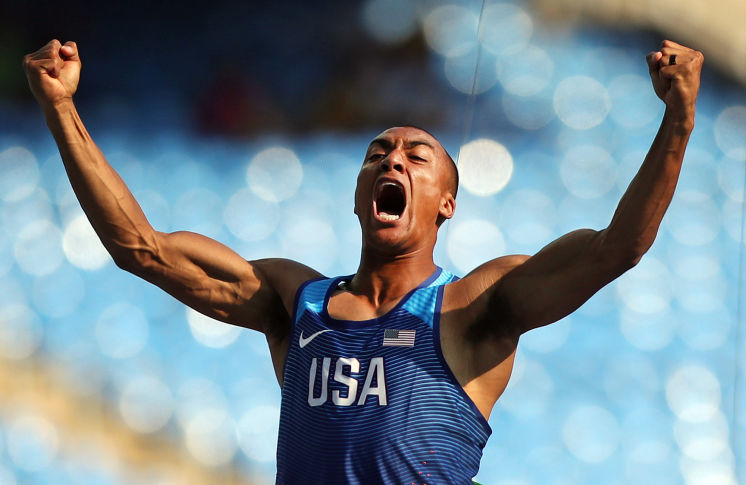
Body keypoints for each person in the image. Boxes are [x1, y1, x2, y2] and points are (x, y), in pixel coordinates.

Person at [23, 38, 703, 484]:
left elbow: (619, 246)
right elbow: (140, 247)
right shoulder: (294, 300)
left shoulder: (475, 307)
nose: (392, 159)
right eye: (378, 153)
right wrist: (60, 108)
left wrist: (677, 120)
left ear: (445, 204)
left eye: (416, 157)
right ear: (357, 195)